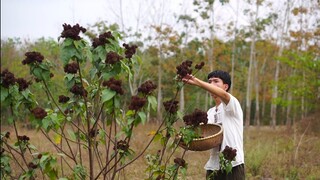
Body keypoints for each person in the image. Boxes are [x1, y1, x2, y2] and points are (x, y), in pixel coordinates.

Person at [182, 70, 245, 180]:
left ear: (225, 86)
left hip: (233, 163)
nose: (211, 84)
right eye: (209, 82)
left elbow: (224, 95)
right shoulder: (211, 112)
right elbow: (203, 135)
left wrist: (196, 82)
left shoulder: (232, 104)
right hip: (214, 165)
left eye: (216, 81)